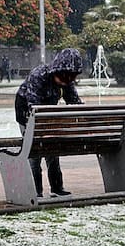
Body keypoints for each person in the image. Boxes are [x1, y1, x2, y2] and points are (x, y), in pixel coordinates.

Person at [14, 48, 84, 197]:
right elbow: (32, 105)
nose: (67, 81)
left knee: (52, 151)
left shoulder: (67, 81)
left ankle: (57, 188)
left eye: (72, 77)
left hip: (47, 116)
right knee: (34, 152)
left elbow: (75, 102)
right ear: (58, 71)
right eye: (65, 77)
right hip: (26, 113)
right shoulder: (39, 75)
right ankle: (35, 191)